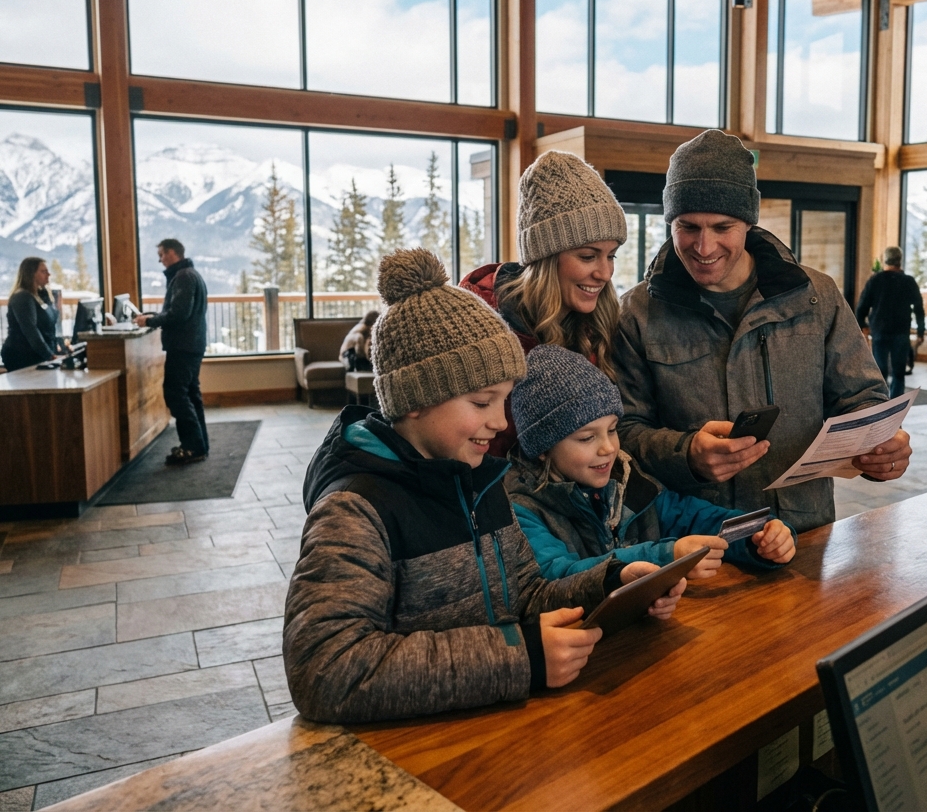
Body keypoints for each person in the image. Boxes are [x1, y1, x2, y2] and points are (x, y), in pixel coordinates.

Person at [283, 249, 683, 723]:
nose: (499, 421)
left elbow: (527, 594)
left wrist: (610, 583)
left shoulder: (477, 479)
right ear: (416, 398)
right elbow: (325, 668)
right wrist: (520, 658)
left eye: (505, 400)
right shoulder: (355, 509)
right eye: (481, 401)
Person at [614, 130, 910, 536]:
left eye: (722, 227)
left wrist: (880, 449)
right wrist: (687, 454)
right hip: (694, 540)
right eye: (687, 227)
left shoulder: (816, 297)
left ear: (749, 223)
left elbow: (861, 398)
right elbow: (624, 430)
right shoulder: (636, 314)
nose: (704, 246)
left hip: (803, 531)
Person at [506, 345, 796, 581]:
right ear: (542, 448)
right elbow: (558, 576)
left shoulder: (629, 481)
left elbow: (697, 517)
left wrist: (762, 535)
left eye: (611, 430)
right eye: (586, 438)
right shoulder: (520, 510)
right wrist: (668, 557)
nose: (608, 448)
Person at [462, 151, 628, 457]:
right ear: (545, 258)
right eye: (588, 256)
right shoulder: (474, 328)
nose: (604, 273)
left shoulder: (602, 323)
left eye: (611, 255)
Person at [134, 239, 209, 465]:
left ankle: (192, 447)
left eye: (161, 254)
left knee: (176, 394)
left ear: (172, 253)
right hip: (191, 344)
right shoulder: (189, 274)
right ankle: (199, 444)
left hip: (183, 346)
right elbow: (178, 311)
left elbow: (179, 314)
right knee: (191, 395)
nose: (160, 259)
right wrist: (153, 316)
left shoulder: (183, 277)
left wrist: (150, 321)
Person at [855, 246, 925, 398]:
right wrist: (921, 331)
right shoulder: (908, 281)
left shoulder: (875, 280)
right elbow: (919, 308)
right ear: (900, 260)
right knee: (899, 372)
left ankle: (881, 405)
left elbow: (861, 307)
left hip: (879, 330)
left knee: (880, 371)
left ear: (884, 260)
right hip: (901, 331)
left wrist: (863, 326)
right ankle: (896, 408)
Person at [1, 257, 61, 372]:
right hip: (23, 355)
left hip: (39, 354)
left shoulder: (41, 295)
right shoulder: (22, 297)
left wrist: (59, 347)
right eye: (43, 271)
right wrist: (49, 355)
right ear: (31, 274)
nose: (49, 274)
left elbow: (50, 327)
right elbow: (30, 330)